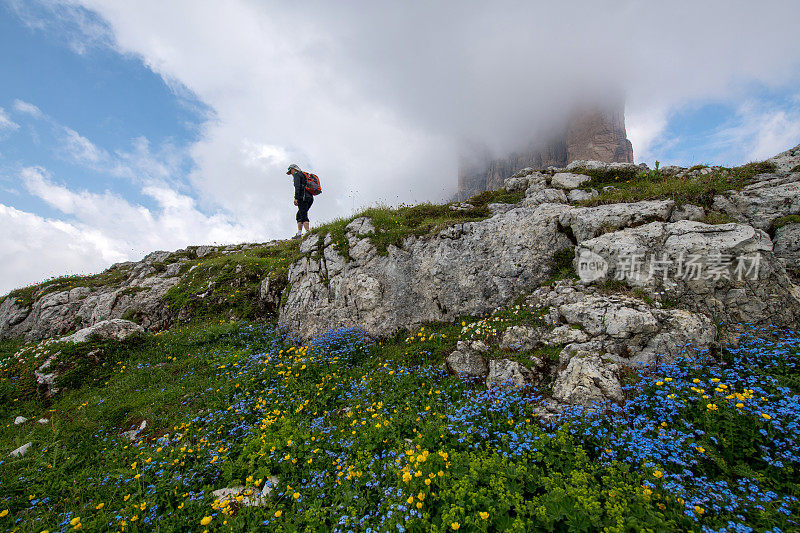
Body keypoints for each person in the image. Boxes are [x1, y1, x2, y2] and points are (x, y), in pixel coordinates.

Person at [287, 164, 313, 239]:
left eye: (290, 171)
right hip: (310, 198)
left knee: (303, 215)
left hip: (303, 198)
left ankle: (308, 233)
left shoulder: (297, 175)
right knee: (299, 215)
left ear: (294, 169)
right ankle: (299, 234)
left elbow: (297, 187)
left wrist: (296, 198)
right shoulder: (304, 175)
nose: (291, 173)